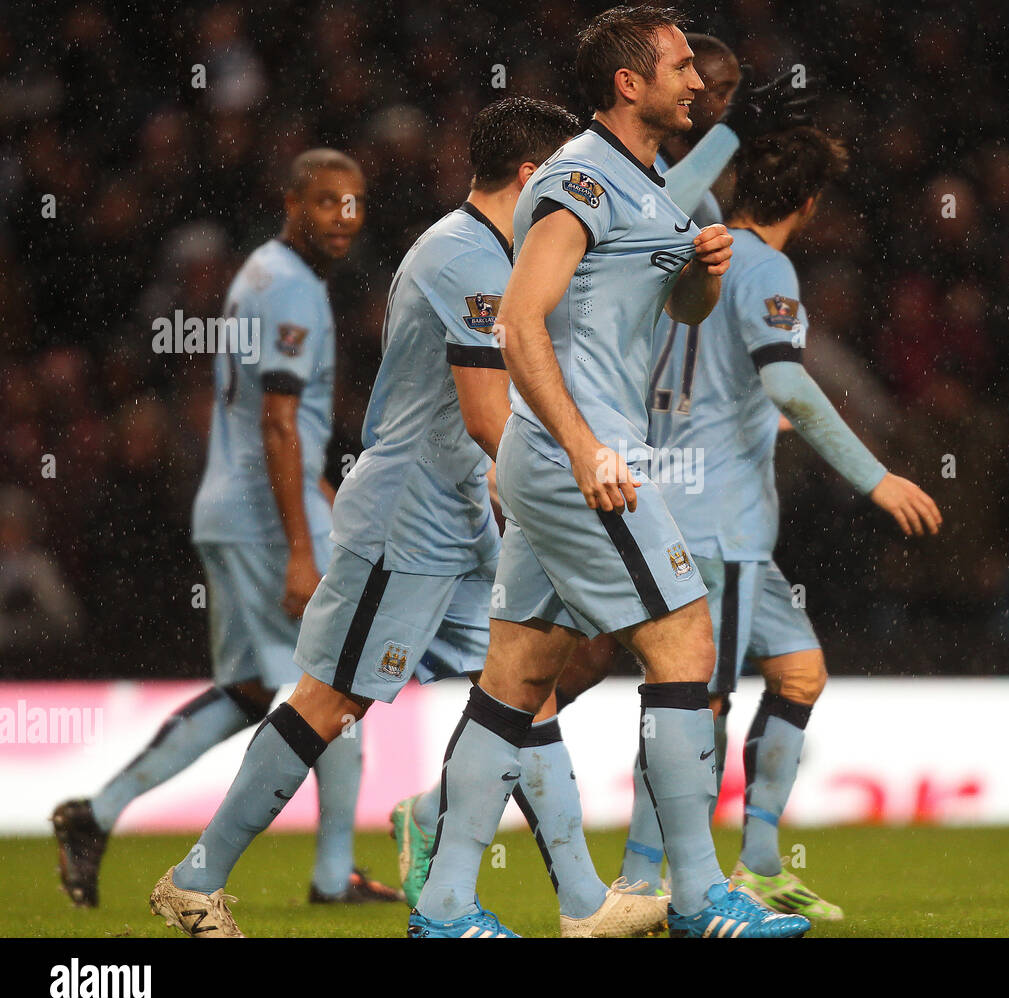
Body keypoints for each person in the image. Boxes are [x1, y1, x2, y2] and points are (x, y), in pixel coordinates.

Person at [147, 99, 665, 939]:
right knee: (329, 701)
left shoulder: (500, 253)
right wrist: (575, 478)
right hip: (406, 518)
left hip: (459, 513)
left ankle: (582, 905)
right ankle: (195, 883)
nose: (587, 194)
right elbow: (484, 415)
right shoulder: (463, 256)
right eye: (577, 179)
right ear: (535, 178)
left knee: (523, 689)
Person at [410, 5, 811, 939]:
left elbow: (682, 310)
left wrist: (703, 269)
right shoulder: (583, 177)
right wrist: (586, 446)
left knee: (514, 679)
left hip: (573, 456)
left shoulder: (651, 183)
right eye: (678, 65)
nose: (695, 80)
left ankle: (442, 909)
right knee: (684, 647)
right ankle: (700, 899)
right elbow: (519, 317)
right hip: (579, 458)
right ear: (628, 84)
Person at [53, 149, 397, 909]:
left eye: (355, 202)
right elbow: (277, 423)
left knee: (248, 691)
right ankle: (332, 871)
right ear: (290, 202)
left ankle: (96, 813)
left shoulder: (258, 278)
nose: (344, 217)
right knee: (342, 677)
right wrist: (304, 547)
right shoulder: (293, 290)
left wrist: (325, 490)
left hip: (236, 506)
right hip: (266, 518)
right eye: (326, 202)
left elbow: (272, 425)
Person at [631, 126, 942, 916]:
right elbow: (792, 388)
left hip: (690, 507)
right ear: (809, 203)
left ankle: (759, 862)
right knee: (695, 704)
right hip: (716, 527)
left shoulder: (690, 249)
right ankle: (657, 883)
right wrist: (877, 479)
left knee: (799, 672)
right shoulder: (766, 268)